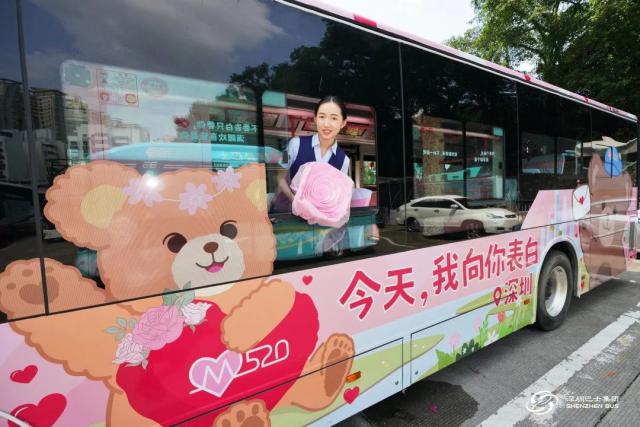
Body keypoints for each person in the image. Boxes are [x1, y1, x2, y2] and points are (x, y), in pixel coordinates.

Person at [272, 95, 351, 211]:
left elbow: (337, 194)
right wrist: (295, 201)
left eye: (334, 118)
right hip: (290, 213)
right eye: (322, 117)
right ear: (315, 119)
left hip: (321, 216)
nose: (326, 124)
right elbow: (279, 176)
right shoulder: (294, 144)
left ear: (343, 123)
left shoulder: (344, 160)